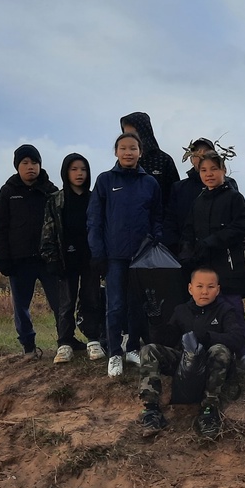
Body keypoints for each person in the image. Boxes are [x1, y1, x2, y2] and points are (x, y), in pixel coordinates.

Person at [133, 267, 245, 439]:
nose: (204, 291)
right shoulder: (181, 311)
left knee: (220, 350)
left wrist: (208, 337)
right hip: (185, 364)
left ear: (217, 289)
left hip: (212, 364)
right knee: (148, 350)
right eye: (199, 286)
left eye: (210, 287)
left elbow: (238, 339)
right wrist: (155, 321)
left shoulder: (225, 310)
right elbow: (166, 340)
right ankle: (151, 410)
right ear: (190, 288)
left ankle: (209, 410)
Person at [179, 152, 245, 377]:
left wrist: (213, 241)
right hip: (203, 267)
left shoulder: (234, 197)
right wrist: (187, 250)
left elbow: (240, 227)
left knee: (233, 311)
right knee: (206, 312)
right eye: (204, 170)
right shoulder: (198, 200)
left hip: (228, 267)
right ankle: (211, 358)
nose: (209, 174)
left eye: (214, 169)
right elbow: (188, 229)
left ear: (223, 171)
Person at [88, 132, 163, 378]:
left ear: (140, 152)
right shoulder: (105, 180)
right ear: (116, 152)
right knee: (115, 305)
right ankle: (114, 354)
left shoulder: (150, 182)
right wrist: (98, 252)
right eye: (123, 148)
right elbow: (95, 219)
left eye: (133, 148)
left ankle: (132, 349)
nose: (128, 152)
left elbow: (157, 217)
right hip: (114, 256)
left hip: (141, 256)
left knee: (137, 304)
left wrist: (155, 240)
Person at [0, 144, 61, 359]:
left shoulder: (51, 190)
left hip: (48, 259)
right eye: (25, 163)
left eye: (34, 162)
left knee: (60, 303)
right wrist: (2, 259)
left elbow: (61, 225)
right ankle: (28, 346)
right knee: (21, 307)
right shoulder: (8, 191)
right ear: (17, 166)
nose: (30, 167)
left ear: (40, 165)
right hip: (19, 261)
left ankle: (65, 341)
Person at [40, 153, 106, 363]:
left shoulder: (95, 197)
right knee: (65, 303)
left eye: (83, 169)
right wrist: (51, 258)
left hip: (90, 258)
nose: (79, 174)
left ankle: (93, 339)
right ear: (66, 172)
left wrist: (101, 255)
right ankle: (65, 343)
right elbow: (47, 231)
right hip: (64, 259)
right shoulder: (55, 200)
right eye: (74, 169)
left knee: (91, 298)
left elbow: (103, 228)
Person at [164, 137, 239, 257]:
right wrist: (178, 248)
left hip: (221, 253)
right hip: (187, 255)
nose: (201, 157)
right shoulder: (179, 188)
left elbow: (236, 221)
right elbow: (170, 221)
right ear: (191, 158)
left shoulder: (229, 184)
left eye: (206, 153)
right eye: (196, 154)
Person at [119, 112, 180, 216]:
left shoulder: (164, 160)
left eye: (133, 134)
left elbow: (175, 199)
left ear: (144, 132)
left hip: (159, 225)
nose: (130, 139)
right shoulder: (122, 163)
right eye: (126, 134)